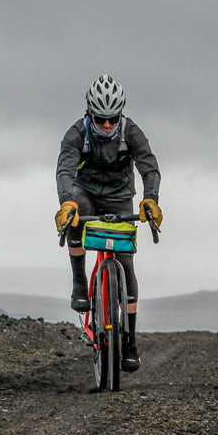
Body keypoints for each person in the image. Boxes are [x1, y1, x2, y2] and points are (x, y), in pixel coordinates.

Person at [55, 74, 162, 372]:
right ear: (89, 111)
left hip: (120, 198)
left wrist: (150, 199)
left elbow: (149, 168)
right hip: (85, 192)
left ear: (120, 113)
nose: (106, 125)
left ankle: (130, 342)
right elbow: (64, 170)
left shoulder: (133, 132)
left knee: (126, 266)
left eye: (112, 119)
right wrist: (66, 202)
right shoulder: (76, 133)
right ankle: (79, 282)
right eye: (101, 119)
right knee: (76, 212)